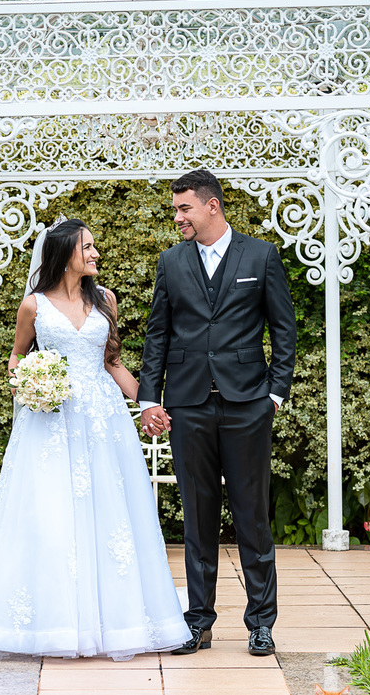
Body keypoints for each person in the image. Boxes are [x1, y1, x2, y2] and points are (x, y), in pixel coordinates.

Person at [0, 217, 189, 660]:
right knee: (50, 515)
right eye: (87, 247)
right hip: (51, 423)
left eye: (94, 246)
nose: (95, 253)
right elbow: (18, 357)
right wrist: (27, 385)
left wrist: (147, 403)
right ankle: (51, 624)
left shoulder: (106, 300)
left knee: (110, 515)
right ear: (63, 254)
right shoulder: (33, 306)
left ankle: (116, 620)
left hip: (102, 422)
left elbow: (112, 363)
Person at [137, 169, 297, 657]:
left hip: (248, 404)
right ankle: (198, 622)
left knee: (253, 517)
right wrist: (149, 397)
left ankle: (261, 623)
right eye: (176, 210)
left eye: (184, 208)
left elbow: (283, 328)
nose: (178, 217)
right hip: (187, 405)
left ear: (212, 206)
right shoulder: (171, 261)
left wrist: (275, 393)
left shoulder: (261, 255)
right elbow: (158, 333)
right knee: (197, 519)